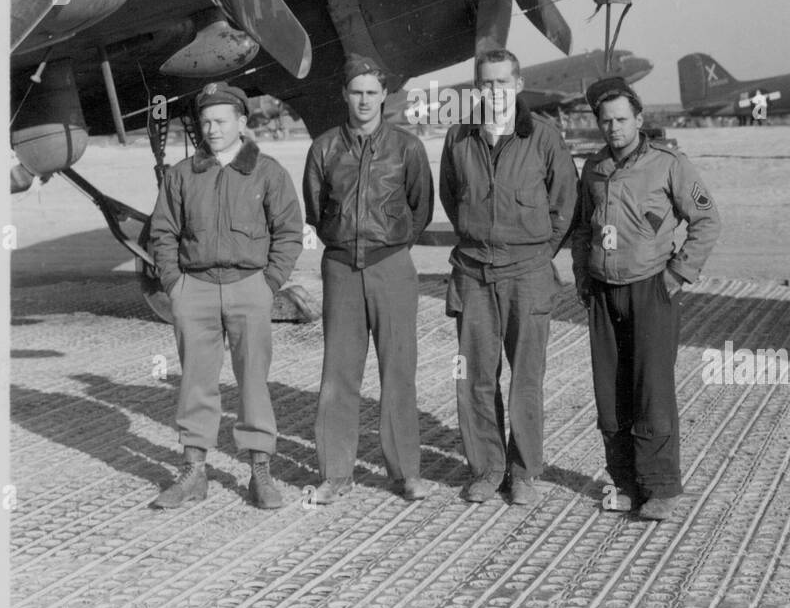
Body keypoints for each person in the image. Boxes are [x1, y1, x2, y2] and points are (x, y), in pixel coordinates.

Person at [571, 77, 721, 521]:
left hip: (650, 288)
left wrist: (678, 274)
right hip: (603, 292)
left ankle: (661, 489)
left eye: (621, 119)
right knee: (610, 391)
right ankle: (624, 483)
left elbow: (707, 220)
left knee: (651, 389)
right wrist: (582, 276)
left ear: (639, 119)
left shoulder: (669, 164)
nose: (613, 128)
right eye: (605, 120)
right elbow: (582, 229)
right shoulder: (594, 167)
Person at [148, 83, 304, 510]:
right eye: (205, 121)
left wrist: (268, 283)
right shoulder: (182, 175)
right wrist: (176, 287)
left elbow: (289, 232)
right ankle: (194, 472)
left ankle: (260, 473)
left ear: (241, 122)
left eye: (220, 121)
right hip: (194, 289)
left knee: (254, 379)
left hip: (248, 287)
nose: (212, 129)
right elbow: (162, 233)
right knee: (195, 382)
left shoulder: (268, 172)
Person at [439, 48, 577, 504]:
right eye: (486, 83)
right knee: (475, 376)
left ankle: (523, 472)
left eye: (502, 83)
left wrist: (537, 253)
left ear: (517, 85)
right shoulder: (459, 137)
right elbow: (450, 196)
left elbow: (564, 205)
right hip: (474, 273)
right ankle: (486, 468)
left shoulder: (542, 136)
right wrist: (478, 238)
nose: (494, 91)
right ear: (477, 87)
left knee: (526, 378)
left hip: (527, 274)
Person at [303, 55, 435, 503]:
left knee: (399, 371)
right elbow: (317, 210)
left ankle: (406, 473)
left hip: (392, 266)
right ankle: (335, 474)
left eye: (371, 93)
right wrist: (344, 243)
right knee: (338, 374)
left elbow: (421, 208)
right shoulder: (324, 148)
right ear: (345, 95)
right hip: (340, 267)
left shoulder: (407, 148)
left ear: (384, 97)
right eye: (355, 92)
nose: (363, 100)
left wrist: (389, 245)